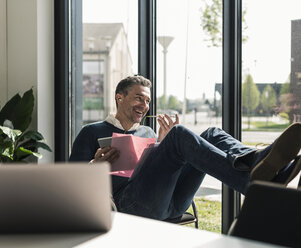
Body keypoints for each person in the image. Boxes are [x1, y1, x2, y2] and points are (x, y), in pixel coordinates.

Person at [70, 75, 301, 220]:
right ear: (119, 98)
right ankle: (252, 180)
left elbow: (160, 173)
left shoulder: (147, 132)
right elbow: (72, 184)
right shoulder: (92, 132)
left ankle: (255, 160)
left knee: (212, 133)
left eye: (148, 100)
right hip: (128, 206)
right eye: (139, 98)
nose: (145, 105)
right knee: (180, 135)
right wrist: (95, 165)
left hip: (171, 202)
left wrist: (163, 143)